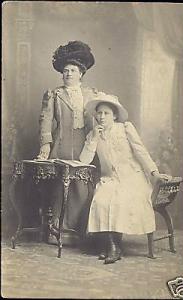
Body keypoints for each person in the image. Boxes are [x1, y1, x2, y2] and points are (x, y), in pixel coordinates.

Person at [79, 92, 170, 264]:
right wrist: (94, 139)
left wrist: (154, 173)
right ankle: (112, 245)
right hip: (110, 179)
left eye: (106, 113)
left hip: (132, 178)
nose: (102, 116)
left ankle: (112, 247)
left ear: (114, 115)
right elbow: (84, 160)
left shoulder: (125, 129)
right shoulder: (93, 135)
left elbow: (141, 152)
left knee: (119, 200)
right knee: (101, 200)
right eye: (99, 113)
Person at [37, 41, 99, 245]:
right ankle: (58, 232)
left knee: (81, 187)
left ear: (81, 73)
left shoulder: (92, 94)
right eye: (65, 71)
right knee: (60, 187)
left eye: (73, 70)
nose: (69, 74)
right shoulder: (54, 94)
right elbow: (45, 121)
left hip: (85, 144)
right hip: (61, 144)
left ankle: (80, 231)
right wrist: (46, 146)